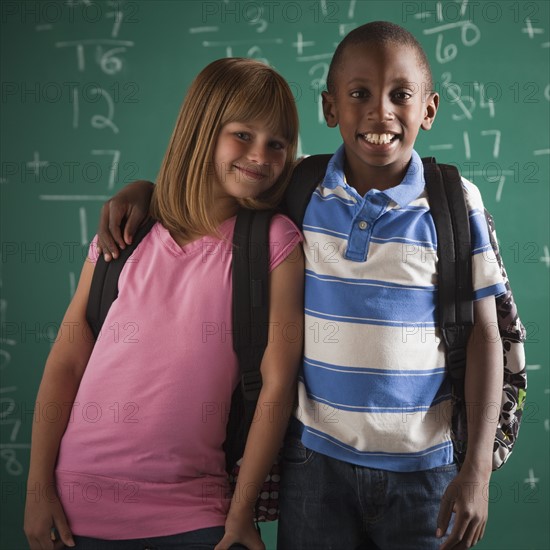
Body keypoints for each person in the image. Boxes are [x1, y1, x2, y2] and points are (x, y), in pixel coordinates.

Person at [95, 22, 506, 550]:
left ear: (428, 109)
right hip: (316, 466)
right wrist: (145, 192)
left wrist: (477, 473)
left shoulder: (454, 202)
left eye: (400, 95)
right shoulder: (301, 188)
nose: (380, 111)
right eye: (359, 94)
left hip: (427, 472)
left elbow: (485, 339)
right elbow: (222, 190)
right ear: (330, 108)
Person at [24, 57, 304, 550]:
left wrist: (240, 514)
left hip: (195, 510)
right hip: (75, 509)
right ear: (201, 130)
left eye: (276, 143)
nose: (260, 154)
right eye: (242, 134)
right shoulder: (125, 237)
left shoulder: (274, 244)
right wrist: (37, 489)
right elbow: (67, 360)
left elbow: (277, 383)